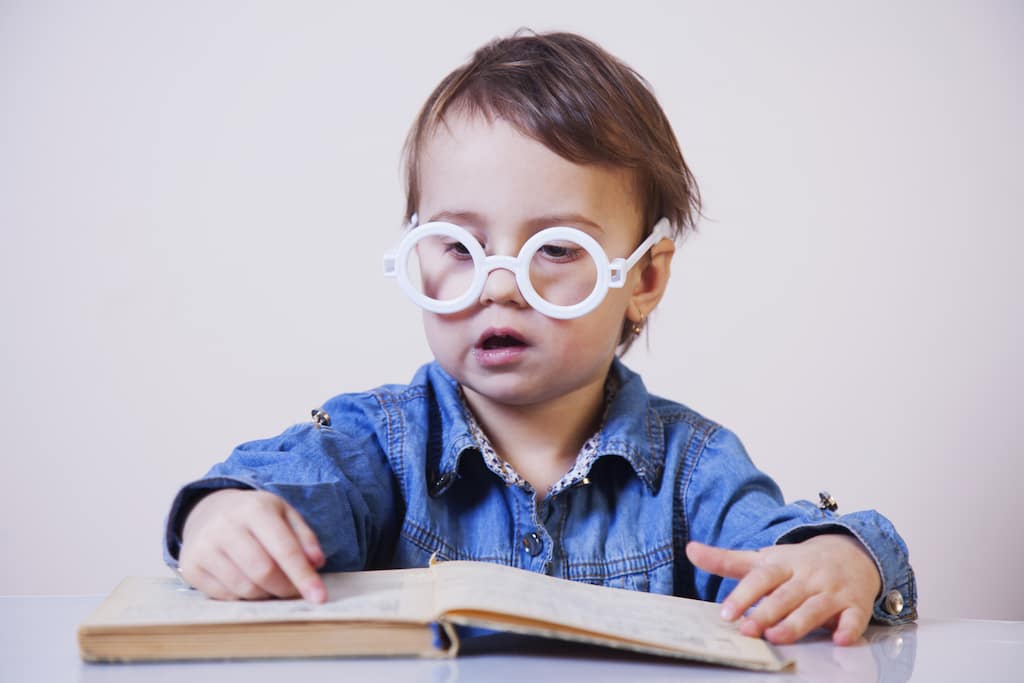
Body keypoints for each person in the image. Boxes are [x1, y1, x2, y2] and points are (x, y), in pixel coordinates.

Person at [163, 29, 916, 646]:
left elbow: (781, 552)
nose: (497, 285)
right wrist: (225, 516)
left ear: (643, 279)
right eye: (459, 247)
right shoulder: (380, 444)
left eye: (555, 250)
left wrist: (839, 558)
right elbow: (279, 487)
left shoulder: (694, 470)